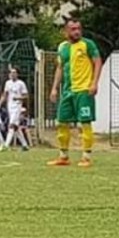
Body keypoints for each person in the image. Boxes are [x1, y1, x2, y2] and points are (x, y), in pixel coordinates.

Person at [49, 19, 102, 168]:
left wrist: (94, 83)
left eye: (78, 28)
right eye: (73, 29)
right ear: (66, 32)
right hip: (67, 91)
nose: (77, 31)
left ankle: (86, 156)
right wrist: (54, 88)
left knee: (85, 123)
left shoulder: (88, 44)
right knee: (61, 122)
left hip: (83, 90)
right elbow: (60, 68)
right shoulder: (63, 47)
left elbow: (97, 62)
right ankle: (63, 156)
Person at [1, 67, 30, 151]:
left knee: (11, 125)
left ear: (17, 74)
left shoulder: (21, 83)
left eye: (14, 72)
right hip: (10, 106)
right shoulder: (7, 83)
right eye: (11, 73)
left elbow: (26, 96)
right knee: (15, 127)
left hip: (17, 106)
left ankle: (6, 145)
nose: (12, 74)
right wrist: (0, 103)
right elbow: (5, 94)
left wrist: (18, 98)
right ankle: (24, 145)